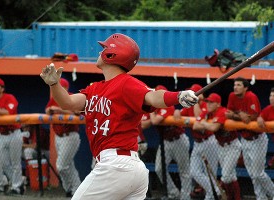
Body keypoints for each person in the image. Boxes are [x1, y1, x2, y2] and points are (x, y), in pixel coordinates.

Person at [40, 33, 198, 199]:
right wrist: (54, 84)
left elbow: (153, 97)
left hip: (116, 165)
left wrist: (178, 96)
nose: (100, 52)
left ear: (112, 55)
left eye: (104, 49)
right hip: (126, 167)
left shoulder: (126, 83)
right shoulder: (95, 88)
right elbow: (68, 103)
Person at [226, 77, 274, 200]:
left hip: (257, 139)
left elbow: (252, 117)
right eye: (234, 85)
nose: (235, 87)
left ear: (246, 87)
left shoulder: (251, 96)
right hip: (245, 139)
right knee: (253, 175)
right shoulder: (232, 96)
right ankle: (261, 197)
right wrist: (240, 114)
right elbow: (228, 113)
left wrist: (239, 115)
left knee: (258, 173)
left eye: (239, 85)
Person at [193, 93, 241, 200]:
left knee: (226, 175)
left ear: (218, 104)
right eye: (207, 102)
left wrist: (204, 123)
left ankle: (228, 196)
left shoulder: (222, 111)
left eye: (211, 102)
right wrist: (206, 123)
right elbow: (196, 126)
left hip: (232, 145)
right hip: (221, 146)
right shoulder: (206, 111)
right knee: (231, 175)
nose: (208, 104)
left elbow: (214, 127)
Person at [150, 85, 191, 200]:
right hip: (166, 142)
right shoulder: (154, 107)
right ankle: (173, 193)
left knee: (184, 171)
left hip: (179, 140)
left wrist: (150, 111)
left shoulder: (168, 106)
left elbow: (154, 121)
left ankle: (185, 197)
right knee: (159, 168)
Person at [0, 77, 25, 195]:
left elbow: (8, 113)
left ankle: (16, 187)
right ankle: (17, 183)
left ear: (2, 88)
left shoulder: (9, 97)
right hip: (1, 134)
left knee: (15, 162)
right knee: (3, 163)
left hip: (14, 133)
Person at [45, 78, 81, 197]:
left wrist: (59, 110)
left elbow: (77, 113)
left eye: (60, 86)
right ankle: (72, 189)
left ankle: (73, 187)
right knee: (67, 164)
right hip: (58, 136)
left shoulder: (72, 97)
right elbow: (47, 110)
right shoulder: (54, 98)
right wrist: (51, 110)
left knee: (61, 166)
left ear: (65, 88)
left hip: (70, 135)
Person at [173, 83, 206, 198]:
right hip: (197, 142)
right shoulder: (191, 106)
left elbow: (198, 117)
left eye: (195, 93)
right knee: (194, 172)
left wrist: (196, 101)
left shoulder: (206, 104)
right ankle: (211, 192)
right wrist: (177, 111)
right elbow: (179, 113)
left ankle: (213, 192)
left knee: (209, 173)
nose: (192, 95)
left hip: (210, 142)